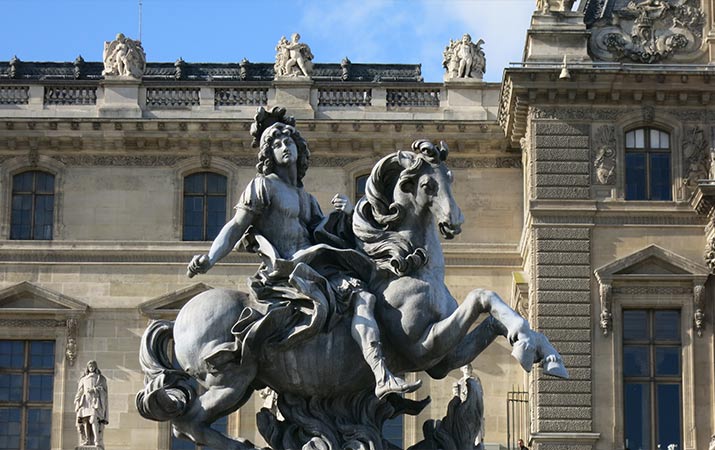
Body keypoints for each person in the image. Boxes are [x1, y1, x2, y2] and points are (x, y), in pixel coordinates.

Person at [188, 108, 420, 399]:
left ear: (300, 148)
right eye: (277, 145)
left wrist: (348, 213)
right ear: (268, 154)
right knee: (361, 296)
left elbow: (324, 234)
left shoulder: (305, 198)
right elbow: (236, 226)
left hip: (313, 263)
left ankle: (374, 373)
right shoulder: (263, 186)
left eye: (289, 142)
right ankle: (381, 375)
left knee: (367, 292)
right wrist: (210, 258)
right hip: (286, 271)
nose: (285, 148)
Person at [74, 360, 108, 447]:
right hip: (85, 401)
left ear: (95, 367)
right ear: (87, 368)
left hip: (95, 402)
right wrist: (77, 400)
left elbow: (104, 391)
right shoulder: (83, 379)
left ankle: (96, 440)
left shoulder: (100, 378)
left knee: (93, 420)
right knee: (85, 421)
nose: (91, 367)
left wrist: (94, 390)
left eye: (93, 366)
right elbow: (80, 391)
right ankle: (88, 440)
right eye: (90, 366)